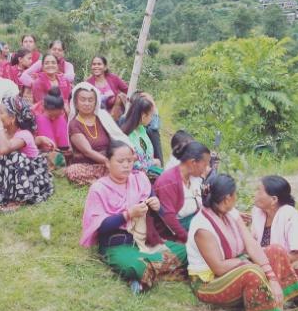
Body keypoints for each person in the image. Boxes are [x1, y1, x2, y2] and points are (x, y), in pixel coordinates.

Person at [187, 174, 298, 311]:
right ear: (227, 198)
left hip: (234, 267)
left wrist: (272, 277)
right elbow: (218, 268)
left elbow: (251, 244)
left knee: (276, 251)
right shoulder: (202, 226)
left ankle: (276, 309)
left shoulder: (230, 212)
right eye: (235, 194)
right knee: (251, 271)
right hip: (209, 283)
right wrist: (253, 266)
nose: (237, 198)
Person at [80, 141, 187, 294]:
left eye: (129, 161)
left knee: (186, 251)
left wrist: (157, 206)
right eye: (120, 161)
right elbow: (100, 226)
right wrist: (128, 214)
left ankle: (148, 275)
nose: (126, 165)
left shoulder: (140, 180)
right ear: (108, 163)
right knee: (135, 267)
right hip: (117, 245)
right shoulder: (99, 189)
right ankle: (150, 272)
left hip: (145, 242)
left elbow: (158, 208)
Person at [0, 95, 55, 212]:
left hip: (33, 180)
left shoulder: (24, 134)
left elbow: (5, 149)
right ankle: (5, 195)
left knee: (14, 156)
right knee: (3, 161)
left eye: (1, 113)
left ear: (13, 118)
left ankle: (17, 200)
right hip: (15, 178)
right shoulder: (0, 136)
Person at [250, 176, 298, 294]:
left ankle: (297, 298)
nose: (255, 194)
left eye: (259, 190)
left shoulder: (291, 217)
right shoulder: (258, 214)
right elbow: (252, 244)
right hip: (268, 264)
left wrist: (265, 257)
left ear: (273, 199)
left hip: (292, 263)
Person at [65, 83, 129, 186]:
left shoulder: (102, 118)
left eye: (90, 100)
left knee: (125, 167)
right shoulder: (74, 124)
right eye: (83, 100)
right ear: (76, 103)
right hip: (86, 166)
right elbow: (87, 151)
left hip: (106, 164)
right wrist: (109, 162)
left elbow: (116, 135)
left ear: (96, 103)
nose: (87, 103)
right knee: (73, 171)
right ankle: (106, 182)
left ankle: (104, 181)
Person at [152, 141, 211, 243]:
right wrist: (188, 239)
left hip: (191, 223)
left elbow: (201, 204)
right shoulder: (169, 182)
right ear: (193, 163)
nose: (207, 169)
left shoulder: (194, 178)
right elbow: (169, 218)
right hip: (172, 232)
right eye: (205, 165)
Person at [119, 95, 163, 177]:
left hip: (146, 171)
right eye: (151, 115)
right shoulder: (129, 136)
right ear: (143, 116)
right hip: (134, 175)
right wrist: (154, 162)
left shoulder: (141, 129)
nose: (152, 118)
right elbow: (133, 164)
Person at [35, 88, 69, 162]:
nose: (53, 118)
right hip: (44, 153)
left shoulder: (62, 117)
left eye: (56, 115)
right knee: (42, 119)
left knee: (60, 120)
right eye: (51, 115)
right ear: (44, 108)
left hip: (61, 152)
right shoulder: (37, 115)